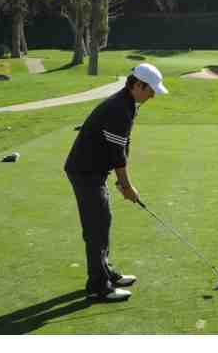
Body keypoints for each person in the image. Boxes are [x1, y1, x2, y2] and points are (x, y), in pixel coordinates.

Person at [65, 63, 169, 301]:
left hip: (93, 171)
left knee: (103, 221)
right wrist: (126, 185)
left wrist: (123, 184)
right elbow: (117, 154)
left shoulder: (129, 104)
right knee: (96, 227)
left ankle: (107, 272)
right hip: (84, 171)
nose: (153, 95)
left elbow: (122, 145)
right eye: (150, 90)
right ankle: (98, 288)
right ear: (137, 85)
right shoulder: (119, 109)